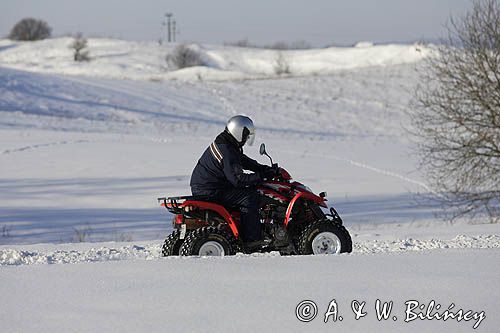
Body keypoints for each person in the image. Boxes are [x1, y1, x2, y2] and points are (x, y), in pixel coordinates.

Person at [190, 115, 277, 250]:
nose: (247, 138)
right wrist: (262, 177)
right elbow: (238, 180)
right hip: (211, 190)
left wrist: (264, 169)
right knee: (250, 196)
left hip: (206, 187)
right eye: (246, 135)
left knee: (244, 193)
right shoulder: (227, 150)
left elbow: (242, 160)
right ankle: (252, 240)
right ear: (239, 131)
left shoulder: (226, 143)